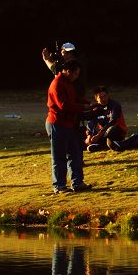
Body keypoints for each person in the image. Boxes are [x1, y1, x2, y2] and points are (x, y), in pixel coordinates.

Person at [45, 60, 90, 194]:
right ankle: (59, 186)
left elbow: (74, 98)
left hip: (68, 124)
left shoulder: (67, 82)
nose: (76, 76)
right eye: (75, 74)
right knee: (59, 156)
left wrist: (89, 103)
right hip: (57, 123)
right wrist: (84, 107)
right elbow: (64, 105)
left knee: (74, 153)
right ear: (68, 71)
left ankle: (77, 182)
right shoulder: (57, 84)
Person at [84, 85, 127, 152]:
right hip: (102, 133)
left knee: (110, 130)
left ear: (108, 95)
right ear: (96, 98)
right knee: (81, 131)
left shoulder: (115, 105)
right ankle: (96, 145)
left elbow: (113, 122)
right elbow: (91, 123)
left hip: (116, 131)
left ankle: (99, 145)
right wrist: (89, 135)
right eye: (101, 97)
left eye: (105, 96)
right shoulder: (96, 108)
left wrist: (98, 135)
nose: (104, 99)